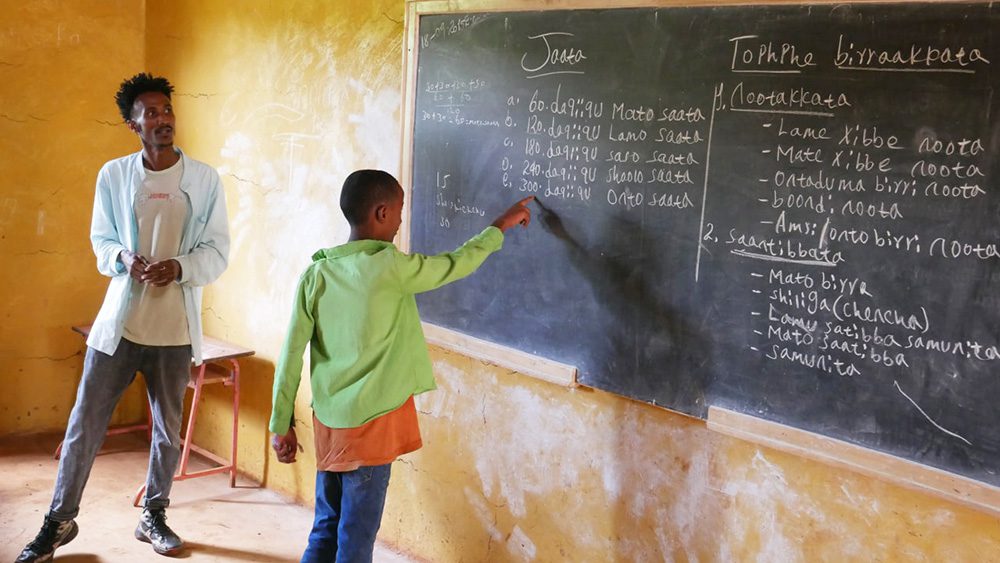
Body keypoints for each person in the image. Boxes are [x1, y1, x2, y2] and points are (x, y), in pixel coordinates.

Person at [17, 73, 230, 562]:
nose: (162, 120)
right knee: (84, 424)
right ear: (133, 126)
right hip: (119, 327)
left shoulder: (203, 179)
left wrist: (179, 267)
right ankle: (58, 521)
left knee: (167, 430)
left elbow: (218, 250)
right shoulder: (113, 175)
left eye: (166, 111)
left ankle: (153, 514)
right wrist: (124, 260)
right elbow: (101, 241)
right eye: (150, 114)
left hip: (174, 330)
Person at [269, 169, 532, 562]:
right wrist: (498, 227)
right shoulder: (392, 269)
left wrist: (280, 423)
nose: (400, 221)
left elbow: (291, 353)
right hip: (372, 431)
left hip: (330, 423)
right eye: (398, 212)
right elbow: (455, 264)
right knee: (356, 537)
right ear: (380, 213)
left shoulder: (316, 274)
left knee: (327, 524)